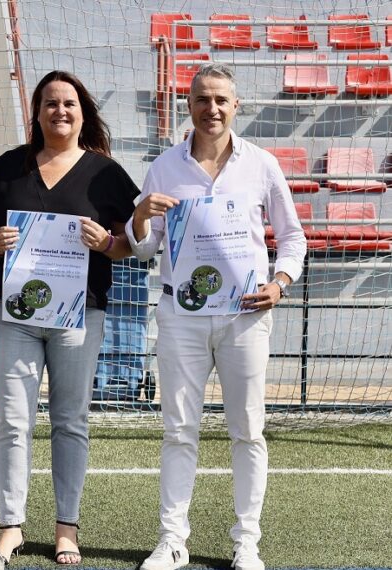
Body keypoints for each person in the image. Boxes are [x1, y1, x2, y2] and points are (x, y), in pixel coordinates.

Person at [128, 63, 307, 570]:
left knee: (247, 430)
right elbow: (145, 247)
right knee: (178, 429)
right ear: (189, 104)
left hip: (245, 316)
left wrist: (280, 282)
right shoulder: (164, 166)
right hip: (181, 316)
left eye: (221, 100)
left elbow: (292, 238)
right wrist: (139, 216)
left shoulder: (263, 165)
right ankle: (171, 541)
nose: (212, 109)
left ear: (236, 106)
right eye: (203, 99)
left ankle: (246, 542)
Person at [0, 70, 139, 565]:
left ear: (82, 111)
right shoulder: (9, 168)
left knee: (70, 421)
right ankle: (11, 526)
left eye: (69, 103)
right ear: (37, 112)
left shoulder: (106, 173)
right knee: (13, 422)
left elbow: (130, 243)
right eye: (50, 103)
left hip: (79, 315)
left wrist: (106, 244)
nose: (60, 111)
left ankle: (66, 527)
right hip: (20, 316)